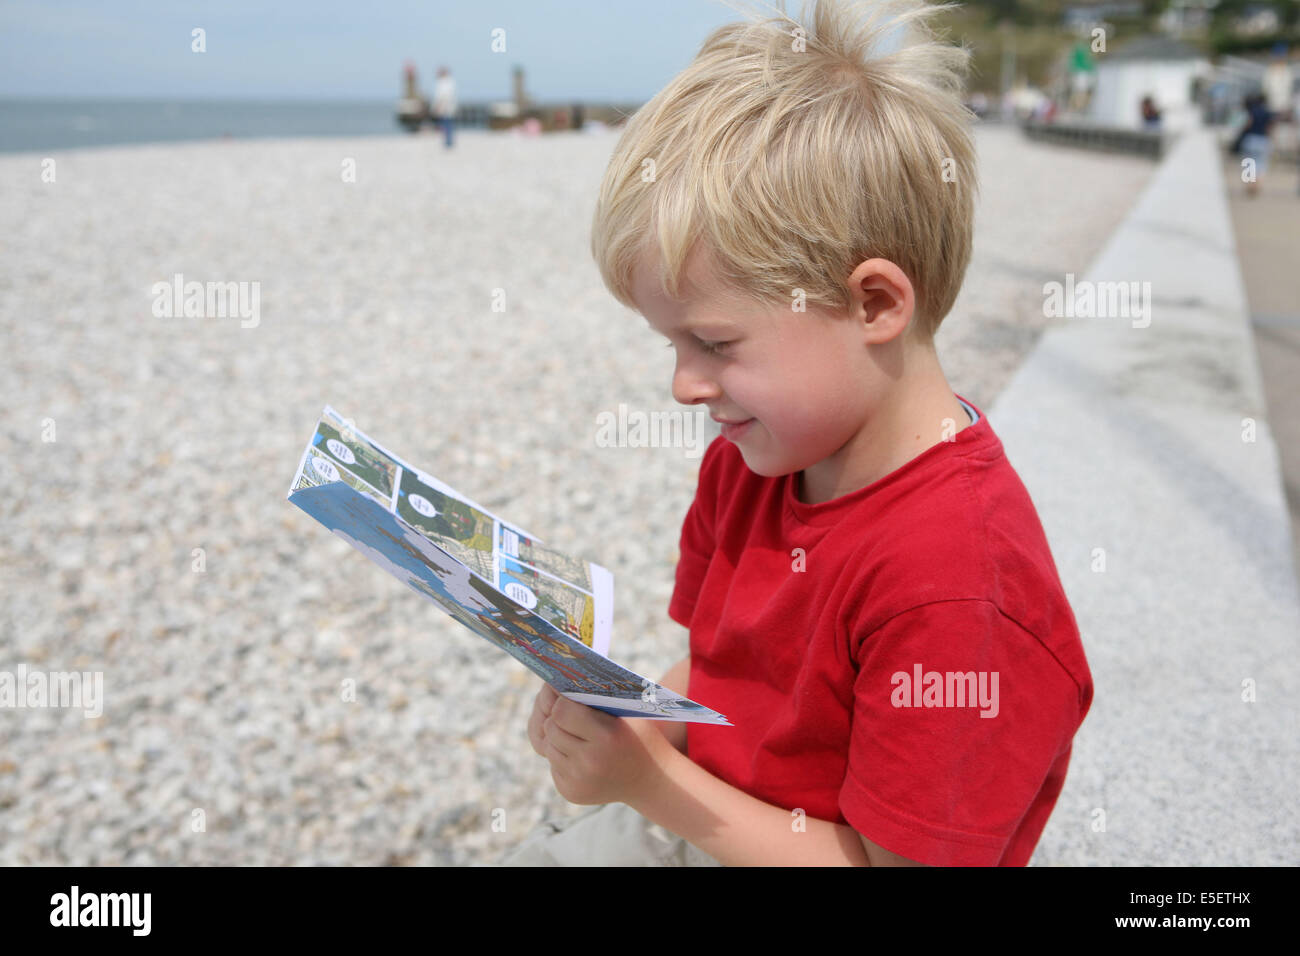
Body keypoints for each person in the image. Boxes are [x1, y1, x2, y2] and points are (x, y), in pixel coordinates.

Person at [498, 0, 1093, 867]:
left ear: (875, 304)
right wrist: (627, 727)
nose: (682, 385)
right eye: (671, 344)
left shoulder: (961, 590)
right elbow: (716, 674)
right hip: (716, 812)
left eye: (714, 343)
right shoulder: (755, 460)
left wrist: (647, 784)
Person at [1235, 92, 1274, 197]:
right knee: (1261, 164)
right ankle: (1257, 184)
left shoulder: (1252, 111)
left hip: (1251, 139)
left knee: (1248, 162)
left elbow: (1247, 124)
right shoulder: (1268, 113)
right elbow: (1270, 128)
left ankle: (1249, 185)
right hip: (1263, 140)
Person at [432, 66, 457, 148]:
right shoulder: (450, 82)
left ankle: (448, 141)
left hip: (445, 107)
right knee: (447, 124)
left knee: (446, 124)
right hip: (448, 106)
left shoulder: (444, 82)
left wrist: (438, 106)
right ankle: (448, 141)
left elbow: (442, 96)